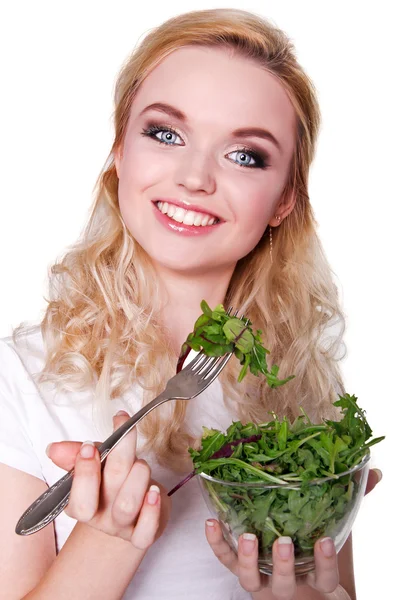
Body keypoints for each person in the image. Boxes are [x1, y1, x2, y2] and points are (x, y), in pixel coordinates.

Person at [0, 8, 382, 600]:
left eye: (246, 155)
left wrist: (305, 595)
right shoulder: (19, 379)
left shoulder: (307, 396)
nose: (196, 177)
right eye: (166, 133)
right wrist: (110, 539)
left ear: (283, 200)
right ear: (120, 151)